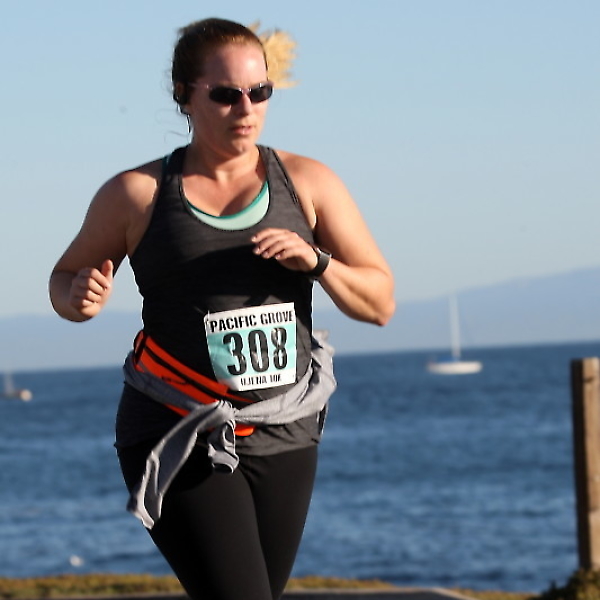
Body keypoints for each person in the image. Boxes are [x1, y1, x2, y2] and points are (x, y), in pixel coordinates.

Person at [49, 17, 395, 600]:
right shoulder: (138, 194)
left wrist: (317, 262)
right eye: (226, 94)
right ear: (184, 95)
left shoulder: (308, 183)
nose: (246, 108)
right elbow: (63, 281)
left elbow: (380, 302)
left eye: (260, 91)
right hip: (177, 425)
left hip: (285, 428)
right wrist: (79, 298)